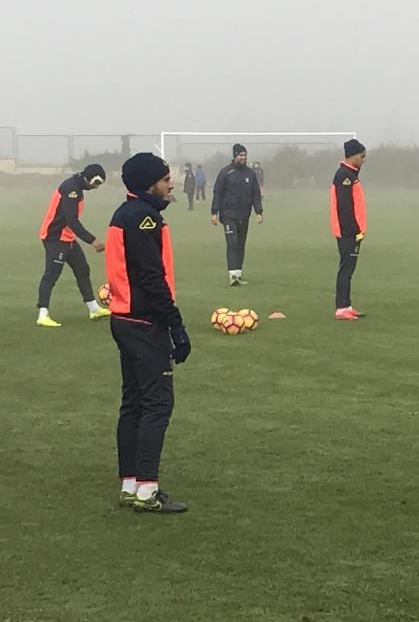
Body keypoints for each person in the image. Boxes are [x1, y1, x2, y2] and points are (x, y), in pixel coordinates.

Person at [106, 152, 191, 513]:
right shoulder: (143, 218)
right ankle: (147, 490)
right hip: (144, 323)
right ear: (148, 183)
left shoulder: (124, 213)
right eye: (165, 178)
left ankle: (130, 484)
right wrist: (176, 324)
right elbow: (151, 278)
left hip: (124, 319)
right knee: (158, 403)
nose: (171, 183)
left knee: (135, 402)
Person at [36, 164, 110, 327]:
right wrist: (92, 240)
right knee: (51, 275)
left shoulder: (77, 186)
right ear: (88, 178)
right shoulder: (71, 189)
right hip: (55, 237)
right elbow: (72, 220)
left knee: (82, 269)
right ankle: (43, 314)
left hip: (67, 237)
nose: (96, 187)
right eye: (96, 183)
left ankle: (94, 309)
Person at [211, 144, 263, 286]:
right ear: (234, 156)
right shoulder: (225, 173)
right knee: (232, 243)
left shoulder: (250, 174)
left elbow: (255, 194)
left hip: (244, 214)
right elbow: (218, 192)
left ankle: (238, 274)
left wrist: (259, 211)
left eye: (245, 155)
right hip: (228, 214)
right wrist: (214, 212)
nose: (243, 158)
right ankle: (232, 275)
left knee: (240, 244)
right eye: (241, 155)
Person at [330, 139, 367, 320]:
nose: (364, 159)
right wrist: (355, 231)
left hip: (352, 231)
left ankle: (347, 305)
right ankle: (341, 308)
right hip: (348, 232)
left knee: (349, 269)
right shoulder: (344, 176)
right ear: (352, 156)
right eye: (362, 156)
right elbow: (344, 207)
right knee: (346, 269)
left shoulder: (350, 175)